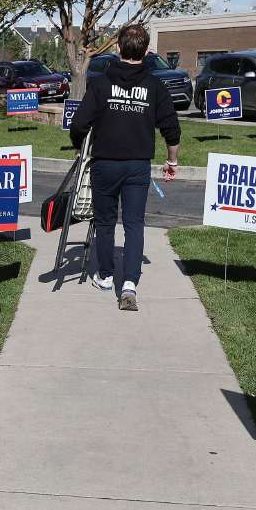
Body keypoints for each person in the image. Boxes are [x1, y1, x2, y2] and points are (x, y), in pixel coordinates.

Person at [69, 24, 181, 311]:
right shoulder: (155, 86)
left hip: (104, 164)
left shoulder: (101, 84)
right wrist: (172, 160)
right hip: (137, 167)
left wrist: (78, 144)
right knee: (134, 224)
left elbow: (79, 123)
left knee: (105, 222)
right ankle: (129, 282)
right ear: (146, 51)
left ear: (118, 48)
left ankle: (106, 275)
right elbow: (171, 128)